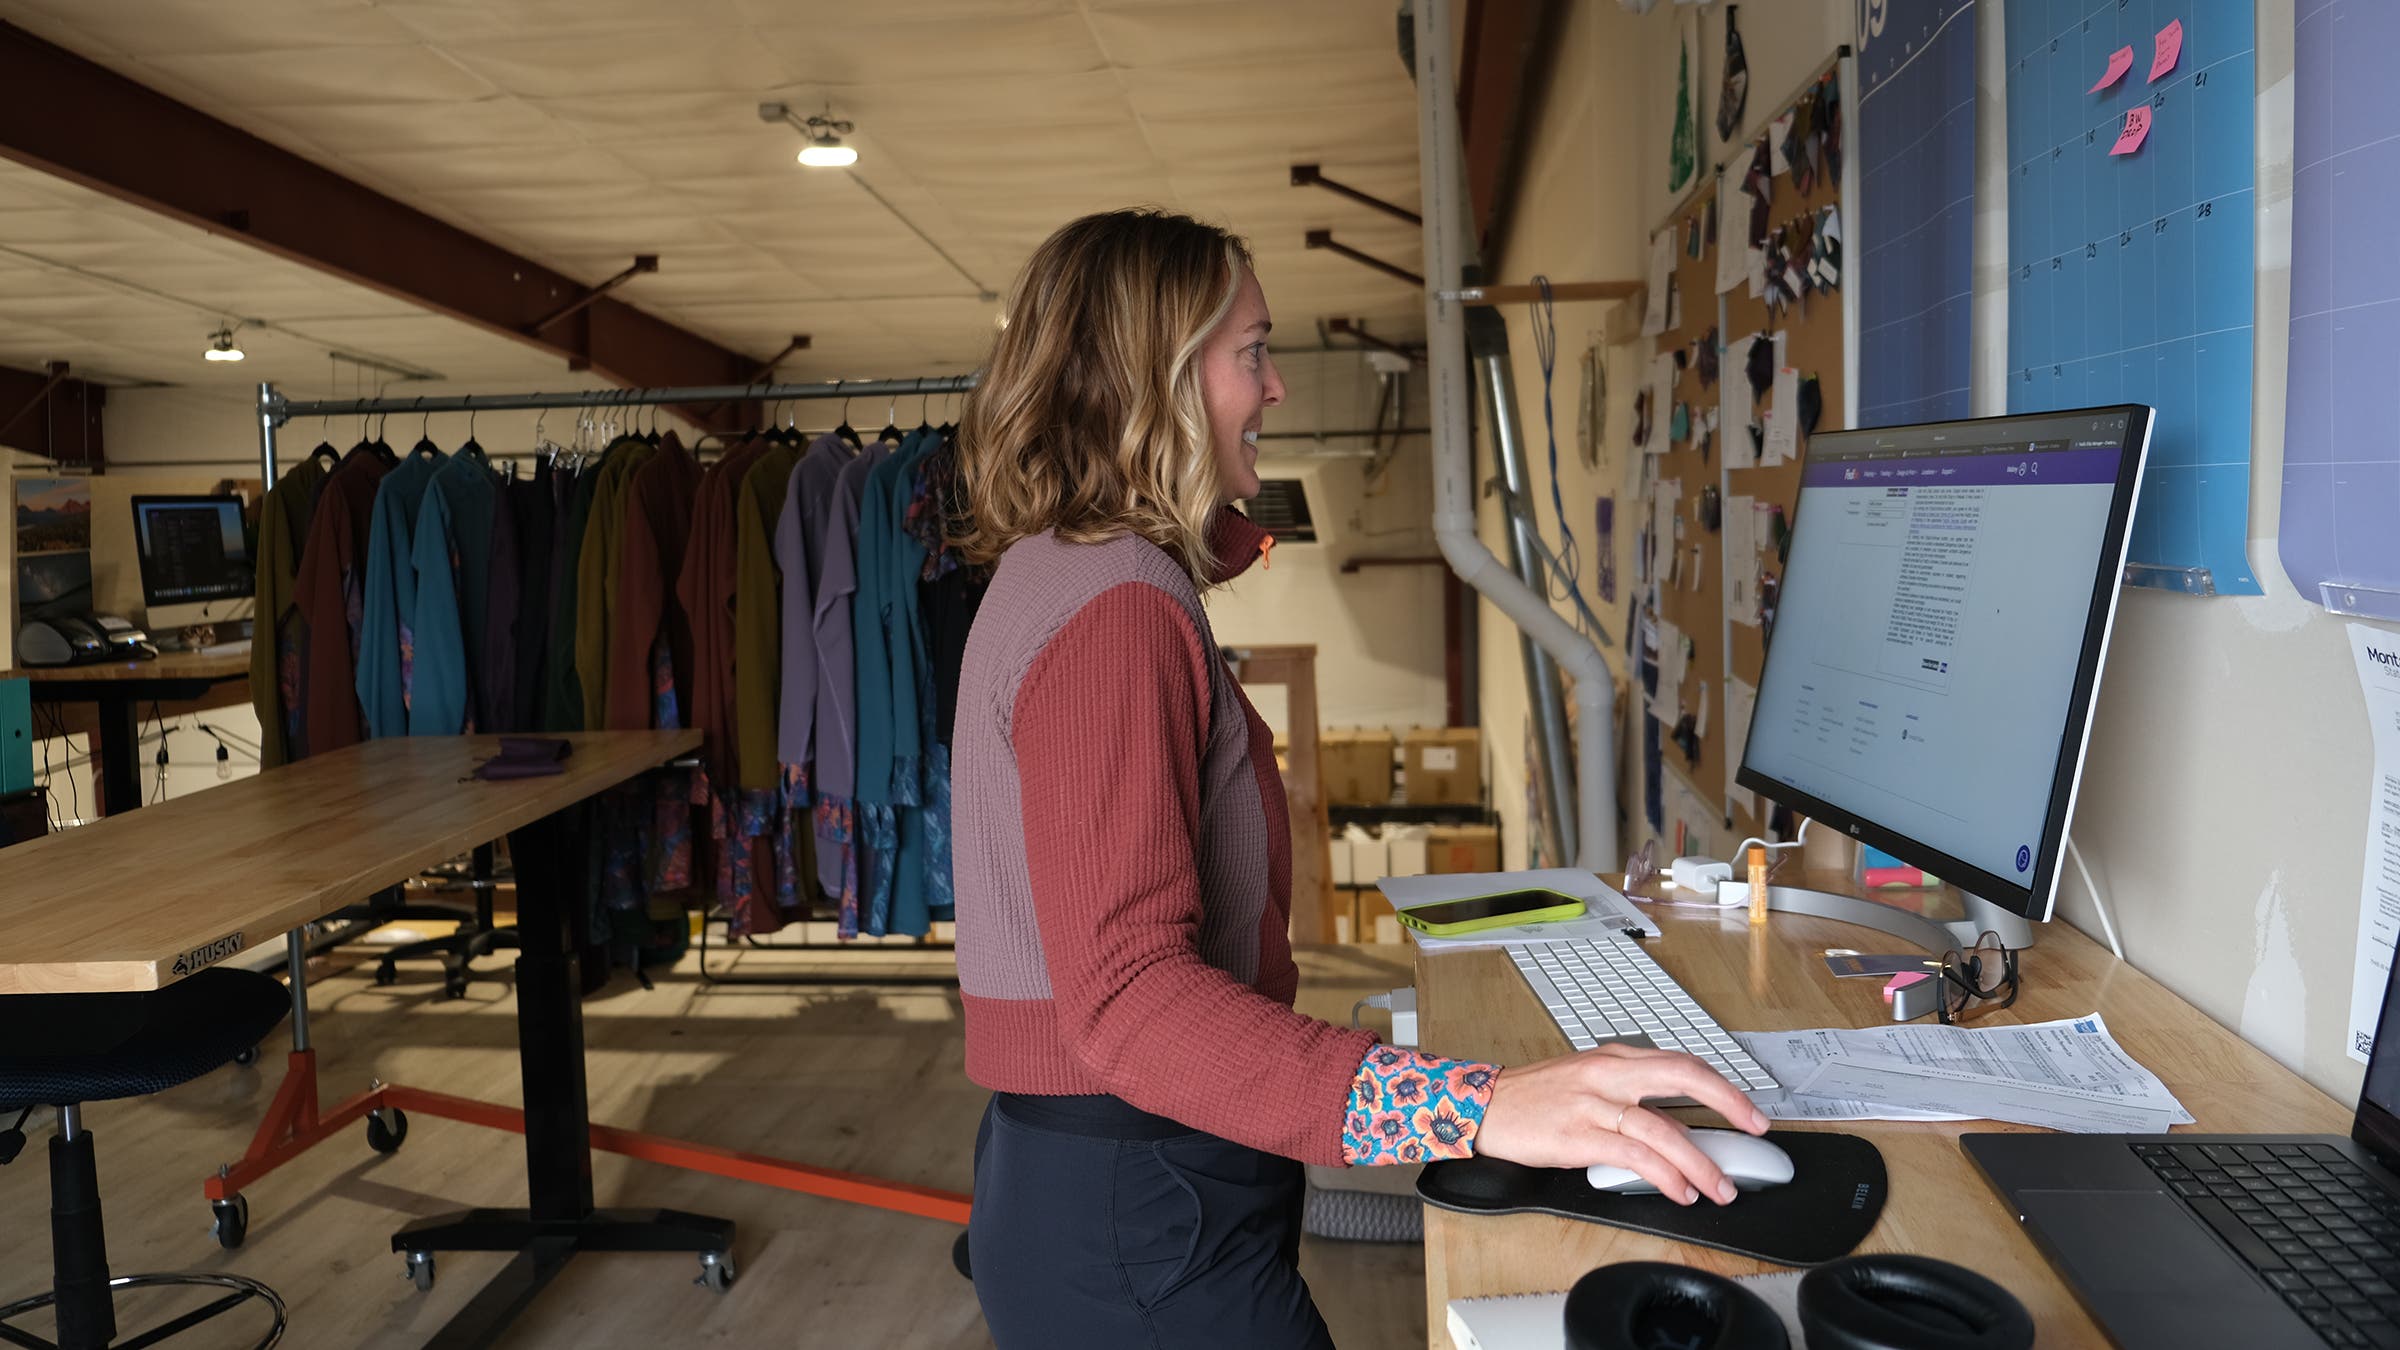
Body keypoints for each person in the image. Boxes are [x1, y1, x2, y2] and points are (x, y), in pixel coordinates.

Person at [950, 208, 1770, 1349]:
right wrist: (1478, 1107)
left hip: (1123, 1185)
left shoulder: (1063, 572)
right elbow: (1129, 1002)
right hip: (1136, 1214)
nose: (1277, 387)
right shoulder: (1115, 606)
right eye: (1252, 353)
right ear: (1160, 377)